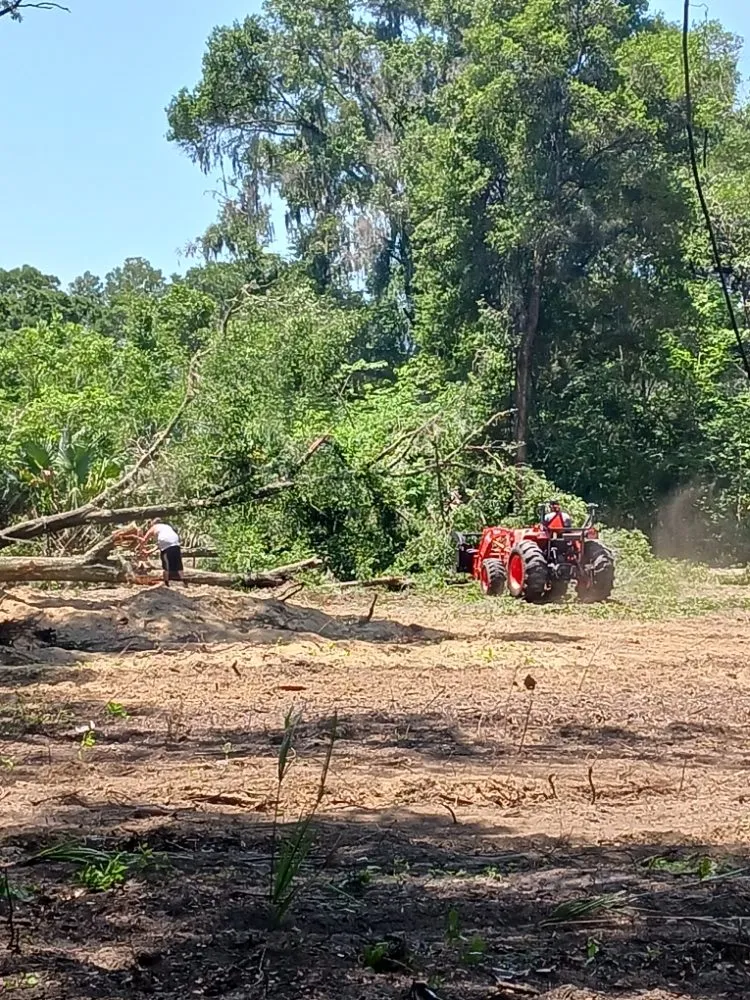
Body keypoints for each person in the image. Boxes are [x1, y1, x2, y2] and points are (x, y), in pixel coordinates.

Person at [142, 518, 186, 587]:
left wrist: (139, 548)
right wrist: (149, 552)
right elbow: (161, 544)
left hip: (166, 546)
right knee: (178, 564)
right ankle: (184, 581)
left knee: (166, 565)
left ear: (153, 524)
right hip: (176, 543)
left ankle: (166, 582)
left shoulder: (154, 527)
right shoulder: (166, 527)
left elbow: (144, 539)